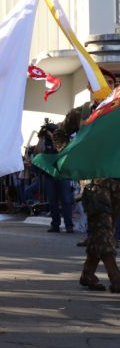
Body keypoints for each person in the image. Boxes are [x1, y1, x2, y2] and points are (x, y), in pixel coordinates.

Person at [52, 68, 120, 293]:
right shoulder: (80, 113)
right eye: (100, 83)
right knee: (102, 224)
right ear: (90, 88)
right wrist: (67, 156)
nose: (106, 87)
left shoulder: (117, 112)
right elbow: (59, 134)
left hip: (116, 177)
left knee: (105, 227)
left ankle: (88, 274)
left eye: (110, 83)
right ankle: (115, 276)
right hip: (92, 179)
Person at [36, 119, 75, 232]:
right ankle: (55, 225)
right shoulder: (45, 141)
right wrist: (41, 138)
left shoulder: (62, 139)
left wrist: (53, 137)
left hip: (62, 174)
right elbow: (38, 151)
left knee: (66, 200)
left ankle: (69, 225)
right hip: (49, 175)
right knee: (52, 201)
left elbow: (60, 150)